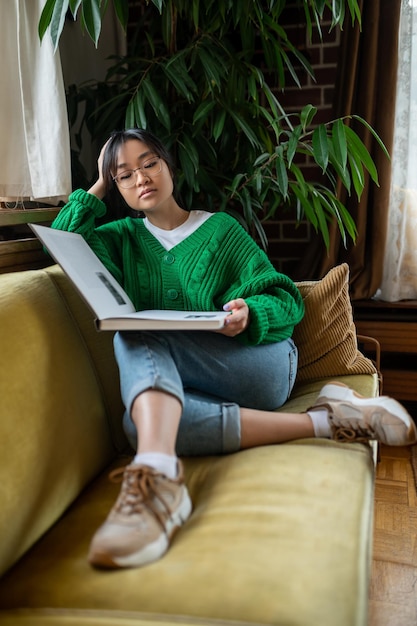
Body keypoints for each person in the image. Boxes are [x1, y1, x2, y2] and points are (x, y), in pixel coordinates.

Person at [52, 128, 417, 570]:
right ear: (116, 188)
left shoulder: (220, 228)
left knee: (135, 336)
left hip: (259, 361)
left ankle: (157, 481)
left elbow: (286, 299)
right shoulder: (118, 238)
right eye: (124, 175)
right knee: (142, 425)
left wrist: (250, 314)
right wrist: (97, 187)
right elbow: (63, 241)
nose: (141, 178)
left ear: (169, 166)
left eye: (149, 163)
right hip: (184, 381)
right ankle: (325, 421)